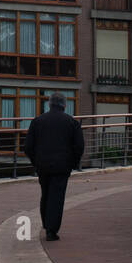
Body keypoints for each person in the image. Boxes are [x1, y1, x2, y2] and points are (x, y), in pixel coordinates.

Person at [23, 93, 85, 241]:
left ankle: (46, 223)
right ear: (64, 105)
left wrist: (35, 161)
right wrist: (73, 163)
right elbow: (79, 146)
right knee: (57, 197)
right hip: (62, 166)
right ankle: (51, 230)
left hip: (42, 165)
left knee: (45, 193)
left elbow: (27, 146)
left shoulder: (38, 121)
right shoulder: (72, 122)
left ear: (49, 104)